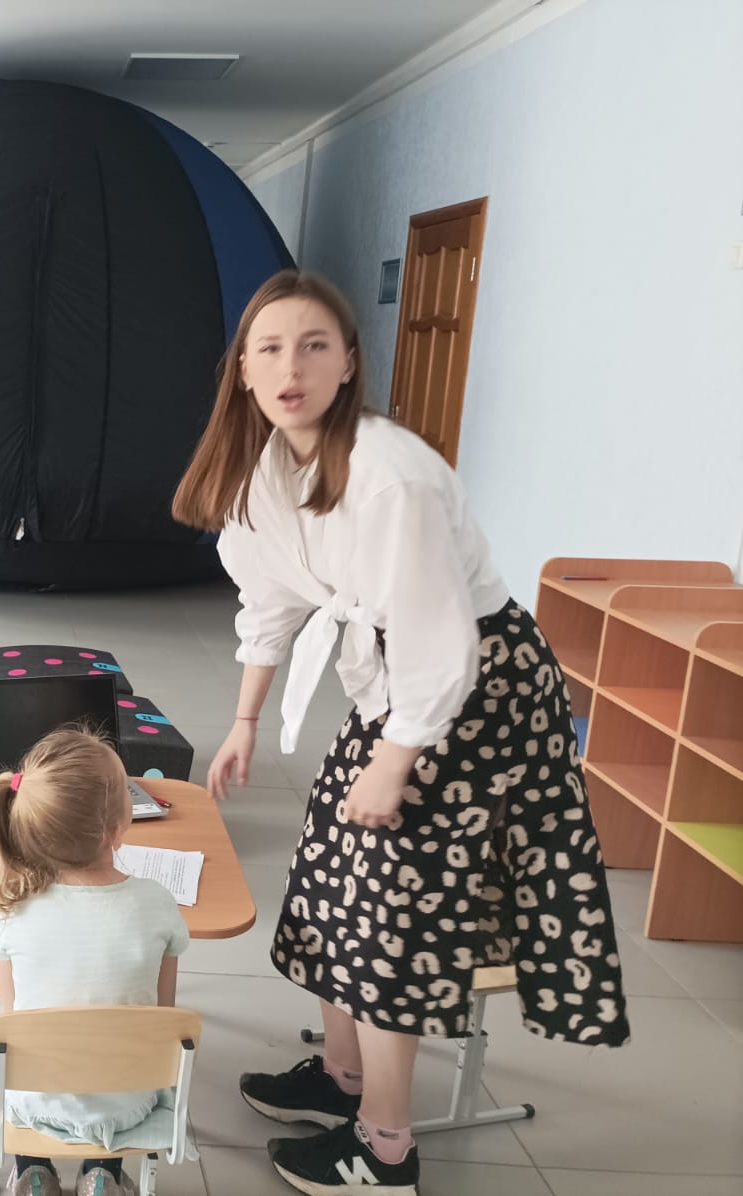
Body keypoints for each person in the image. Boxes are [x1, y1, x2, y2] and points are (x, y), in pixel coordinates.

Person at [171, 270, 629, 1195]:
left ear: (349, 363)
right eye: (270, 349)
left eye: (313, 346)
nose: (291, 368)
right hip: (396, 684)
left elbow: (439, 641)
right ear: (243, 370)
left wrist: (394, 759)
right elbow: (271, 601)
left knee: (391, 908)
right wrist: (246, 719)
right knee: (332, 873)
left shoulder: (390, 475)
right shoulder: (265, 467)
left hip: (474, 693)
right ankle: (343, 1081)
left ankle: (384, 1149)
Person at [0, 728, 189, 1196]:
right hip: (130, 1102)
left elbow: (14, 1011)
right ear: (117, 829)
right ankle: (102, 1175)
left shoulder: (8, 909)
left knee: (1, 1015)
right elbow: (163, 1013)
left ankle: (33, 1172)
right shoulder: (157, 902)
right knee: (127, 1028)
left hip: (32, 1101)